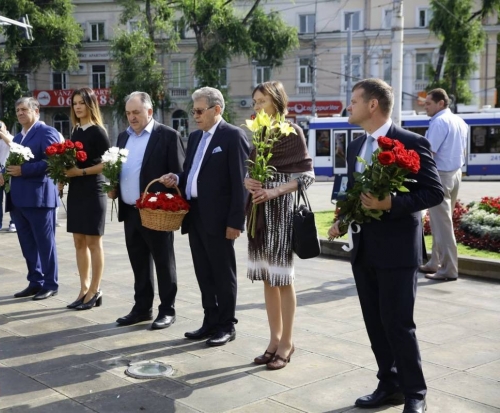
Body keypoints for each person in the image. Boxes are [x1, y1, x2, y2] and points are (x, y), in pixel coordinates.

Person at [328, 78, 443, 413]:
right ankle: (389, 385)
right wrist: (343, 220)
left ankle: (415, 393)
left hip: (397, 251)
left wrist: (391, 203)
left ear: (373, 105)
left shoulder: (410, 142)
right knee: (375, 323)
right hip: (363, 249)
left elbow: (433, 192)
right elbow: (354, 194)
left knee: (398, 323)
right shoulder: (355, 147)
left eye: (354, 100)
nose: (349, 106)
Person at [161, 87, 249, 346]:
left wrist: (235, 222)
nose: (195, 115)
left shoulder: (233, 136)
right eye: (194, 111)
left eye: (199, 110)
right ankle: (210, 320)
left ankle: (226, 325)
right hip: (195, 214)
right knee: (203, 271)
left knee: (222, 272)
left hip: (220, 219)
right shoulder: (197, 137)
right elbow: (191, 172)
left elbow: (240, 183)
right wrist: (177, 178)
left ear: (216, 109)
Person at [243, 81, 314, 370]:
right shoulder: (258, 132)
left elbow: (307, 175)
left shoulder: (292, 132)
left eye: (261, 101)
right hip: (258, 212)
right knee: (268, 279)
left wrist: (274, 190)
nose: (257, 106)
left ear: (276, 101)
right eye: (255, 102)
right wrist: (248, 181)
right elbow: (250, 170)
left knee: (283, 278)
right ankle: (274, 339)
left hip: (281, 211)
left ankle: (287, 342)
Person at [111, 91, 185, 329]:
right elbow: (119, 168)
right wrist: (113, 186)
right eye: (128, 113)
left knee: (164, 261)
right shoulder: (123, 137)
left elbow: (180, 173)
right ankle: (142, 308)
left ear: (149, 112)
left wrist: (173, 181)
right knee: (139, 262)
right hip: (131, 210)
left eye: (136, 112)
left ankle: (167, 310)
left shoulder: (168, 136)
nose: (132, 118)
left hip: (156, 212)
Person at [9, 97, 62, 301]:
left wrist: (23, 170)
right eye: (18, 110)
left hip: (40, 198)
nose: (20, 113)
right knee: (28, 244)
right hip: (19, 199)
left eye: (24, 109)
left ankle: (50, 283)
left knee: (45, 244)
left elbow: (52, 163)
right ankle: (35, 281)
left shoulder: (47, 132)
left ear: (36, 111)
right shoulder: (16, 138)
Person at [63, 88, 111, 311]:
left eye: (82, 102)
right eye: (75, 103)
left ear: (91, 104)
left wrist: (79, 173)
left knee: (93, 242)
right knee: (78, 241)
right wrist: (62, 175)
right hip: (77, 190)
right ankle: (83, 289)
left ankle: (95, 289)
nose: (78, 107)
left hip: (93, 189)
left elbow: (108, 163)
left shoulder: (98, 131)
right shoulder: (75, 131)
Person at [422, 88, 468, 281]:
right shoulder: (459, 121)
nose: (425, 107)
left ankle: (448, 269)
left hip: (440, 175)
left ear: (441, 103)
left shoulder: (439, 122)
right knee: (439, 222)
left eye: (429, 103)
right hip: (455, 174)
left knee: (443, 225)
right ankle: (435, 262)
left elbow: (429, 153)